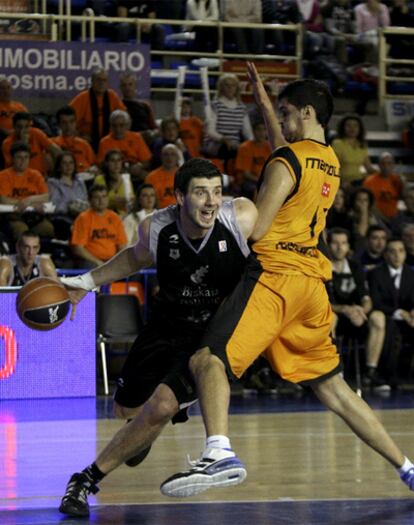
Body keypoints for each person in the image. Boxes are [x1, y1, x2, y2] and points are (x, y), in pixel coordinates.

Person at [159, 62, 414, 498]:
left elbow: (257, 228)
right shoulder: (330, 161)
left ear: (308, 113)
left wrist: (215, 212)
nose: (282, 120)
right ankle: (408, 467)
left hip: (274, 276)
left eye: (286, 112)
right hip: (311, 285)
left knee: (207, 360)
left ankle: (218, 451)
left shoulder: (286, 160)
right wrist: (262, 102)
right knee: (333, 388)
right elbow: (288, 157)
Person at [58, 158, 257, 517]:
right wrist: (87, 283)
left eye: (216, 191)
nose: (211, 201)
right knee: (128, 411)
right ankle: (153, 421)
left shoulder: (239, 218)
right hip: (164, 326)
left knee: (162, 405)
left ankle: (85, 479)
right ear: (180, 197)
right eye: (200, 193)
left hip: (207, 336)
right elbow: (132, 260)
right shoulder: (157, 228)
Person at [327, 228, 389, 391]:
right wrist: (345, 309)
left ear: (348, 246)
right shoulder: (322, 267)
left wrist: (362, 311)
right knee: (330, 317)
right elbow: (321, 302)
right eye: (335, 243)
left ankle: (371, 371)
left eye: (343, 243)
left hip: (357, 317)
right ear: (328, 244)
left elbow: (366, 298)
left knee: (378, 317)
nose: (339, 247)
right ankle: (333, 371)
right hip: (335, 318)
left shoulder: (355, 267)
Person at [367, 237, 414, 384]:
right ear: (386, 254)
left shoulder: (411, 274)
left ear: (405, 254)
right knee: (390, 327)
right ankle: (382, 376)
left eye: (401, 251)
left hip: (409, 320)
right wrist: (399, 313)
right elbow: (376, 302)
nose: (397, 255)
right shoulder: (375, 273)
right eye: (392, 251)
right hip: (386, 316)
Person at [0, 141, 54, 240]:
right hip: (14, 216)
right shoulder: (3, 175)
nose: (23, 161)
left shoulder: (36, 174)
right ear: (12, 159)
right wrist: (31, 203)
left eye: (26, 157)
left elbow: (46, 197)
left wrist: (29, 200)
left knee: (48, 229)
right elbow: (4, 200)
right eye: (19, 157)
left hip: (34, 215)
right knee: (22, 232)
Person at [70, 184, 128, 268]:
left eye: (104, 196)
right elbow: (78, 248)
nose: (101, 200)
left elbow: (122, 245)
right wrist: (97, 262)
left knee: (133, 268)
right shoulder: (83, 218)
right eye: (97, 197)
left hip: (112, 260)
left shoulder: (115, 217)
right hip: (91, 260)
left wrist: (116, 262)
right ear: (90, 200)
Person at [69, 68, 126, 152]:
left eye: (104, 80)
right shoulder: (83, 98)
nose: (101, 83)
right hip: (87, 142)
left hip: (111, 141)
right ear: (92, 81)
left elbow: (125, 119)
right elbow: (67, 120)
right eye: (98, 79)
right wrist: (79, 135)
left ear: (107, 83)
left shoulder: (112, 96)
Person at [97, 110, 152, 182]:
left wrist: (140, 165)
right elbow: (102, 165)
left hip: (135, 171)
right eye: (114, 126)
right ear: (110, 126)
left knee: (149, 177)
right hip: (114, 173)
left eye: (121, 125)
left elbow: (147, 160)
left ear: (128, 125)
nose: (118, 129)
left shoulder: (136, 137)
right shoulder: (104, 142)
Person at [2, 112, 61, 176]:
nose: (23, 130)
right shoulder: (7, 143)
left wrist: (55, 172)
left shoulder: (36, 133)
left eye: (26, 126)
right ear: (13, 127)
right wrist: (23, 143)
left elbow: (56, 151)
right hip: (19, 177)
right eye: (19, 126)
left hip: (41, 176)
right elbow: (16, 167)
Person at [48, 151, 89, 240]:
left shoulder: (80, 182)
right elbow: (54, 205)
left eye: (71, 163)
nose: (68, 166)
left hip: (81, 215)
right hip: (62, 217)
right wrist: (70, 207)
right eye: (64, 163)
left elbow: (85, 200)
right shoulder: (52, 183)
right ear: (59, 166)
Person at [331, 114, 376, 187]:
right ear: (343, 128)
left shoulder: (362, 144)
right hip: (343, 181)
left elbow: (369, 168)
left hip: (359, 180)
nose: (352, 128)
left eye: (355, 125)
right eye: (348, 125)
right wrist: (341, 181)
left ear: (360, 128)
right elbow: (334, 168)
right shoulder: (337, 143)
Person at [52, 106, 97, 173]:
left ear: (76, 123)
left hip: (85, 179)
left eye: (71, 122)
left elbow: (95, 165)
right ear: (59, 124)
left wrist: (93, 169)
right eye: (64, 122)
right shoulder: (52, 143)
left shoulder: (84, 144)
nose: (68, 126)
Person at [235, 120, 272, 199]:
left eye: (264, 129)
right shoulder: (245, 147)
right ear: (253, 131)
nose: (261, 133)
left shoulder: (270, 147)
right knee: (258, 189)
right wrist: (263, 181)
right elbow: (246, 174)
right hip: (248, 181)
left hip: (265, 180)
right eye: (259, 129)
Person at [362, 152, 404, 221]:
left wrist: (403, 182)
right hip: (377, 218)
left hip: (395, 217)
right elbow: (370, 206)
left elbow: (407, 198)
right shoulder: (369, 182)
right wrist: (385, 220)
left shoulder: (398, 180)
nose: (386, 166)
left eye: (389, 163)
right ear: (379, 165)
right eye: (383, 163)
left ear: (394, 165)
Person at [95, 149, 135, 217]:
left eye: (119, 160)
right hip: (105, 216)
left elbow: (131, 201)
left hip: (125, 217)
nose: (116, 164)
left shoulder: (126, 179)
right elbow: (97, 203)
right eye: (112, 160)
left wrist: (130, 201)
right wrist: (113, 203)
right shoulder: (99, 180)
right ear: (107, 163)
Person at [145, 144, 181, 209]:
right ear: (161, 157)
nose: (169, 158)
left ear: (177, 157)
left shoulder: (184, 174)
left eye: (173, 154)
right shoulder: (151, 177)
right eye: (166, 154)